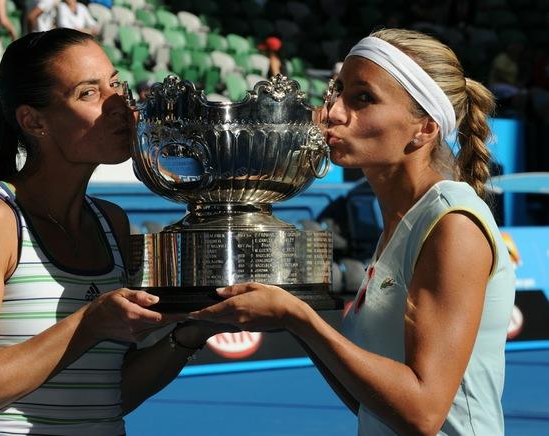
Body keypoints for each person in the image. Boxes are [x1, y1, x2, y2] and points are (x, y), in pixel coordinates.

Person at [192, 28, 515, 435]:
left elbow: (423, 413)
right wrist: (294, 321)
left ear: (425, 129)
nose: (334, 112)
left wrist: (301, 319)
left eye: (363, 98)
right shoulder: (401, 221)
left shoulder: (452, 223)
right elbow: (369, 403)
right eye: (338, 90)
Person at [0, 28, 223, 435]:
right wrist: (90, 323)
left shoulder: (110, 222)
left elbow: (107, 394)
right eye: (88, 92)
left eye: (115, 82)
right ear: (34, 121)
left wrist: (193, 330)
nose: (118, 103)